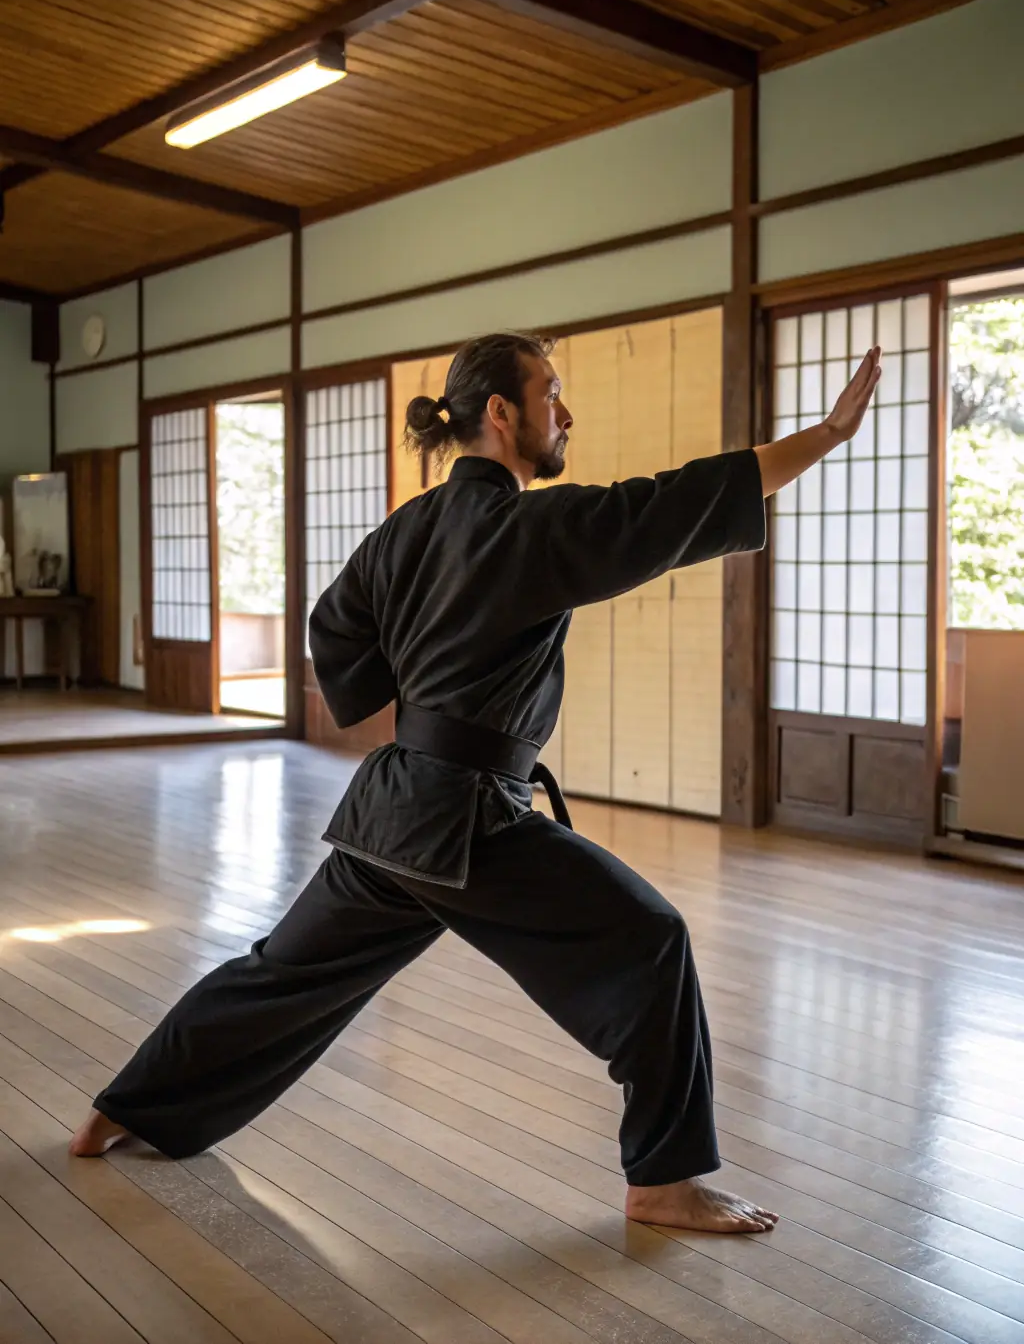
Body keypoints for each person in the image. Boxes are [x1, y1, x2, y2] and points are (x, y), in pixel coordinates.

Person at [71, 332, 881, 1234]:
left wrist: (407, 698)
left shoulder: (406, 527)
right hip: (468, 823)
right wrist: (828, 435)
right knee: (651, 939)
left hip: (391, 813)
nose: (564, 413)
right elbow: (680, 503)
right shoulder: (532, 529)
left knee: (280, 974)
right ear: (501, 413)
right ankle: (664, 1182)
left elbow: (331, 626)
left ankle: (124, 1106)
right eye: (551, 393)